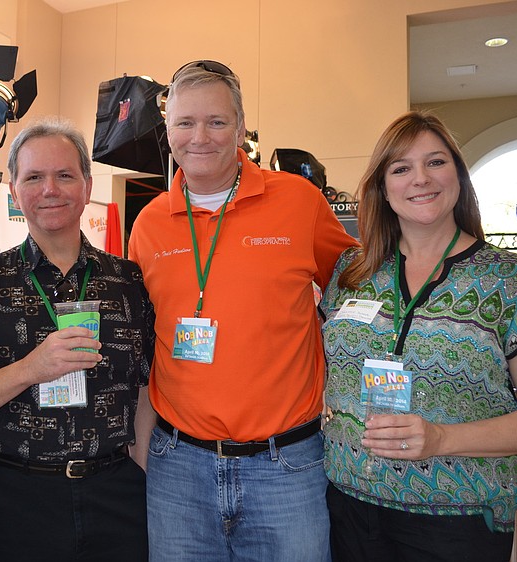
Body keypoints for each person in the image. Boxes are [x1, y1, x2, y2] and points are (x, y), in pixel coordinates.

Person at [127, 60, 357, 562]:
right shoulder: (148, 225)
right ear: (168, 133)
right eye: (185, 123)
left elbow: (357, 287)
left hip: (286, 468)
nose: (200, 137)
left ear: (241, 128)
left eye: (216, 121)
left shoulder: (299, 202)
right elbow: (142, 343)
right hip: (178, 467)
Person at [319, 111, 517, 562]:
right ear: (382, 188)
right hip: (348, 511)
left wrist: (441, 439)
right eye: (401, 168)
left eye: (435, 162)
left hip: (457, 520)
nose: (420, 179)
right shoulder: (350, 274)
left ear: (457, 175)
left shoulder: (513, 282)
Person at [0, 116, 155, 562]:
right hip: (12, 498)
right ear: (15, 191)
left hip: (115, 494)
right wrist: (31, 369)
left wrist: (142, 473)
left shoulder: (127, 281)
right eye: (34, 177)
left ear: (87, 184)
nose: (50, 189)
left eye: (64, 175)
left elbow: (145, 385)